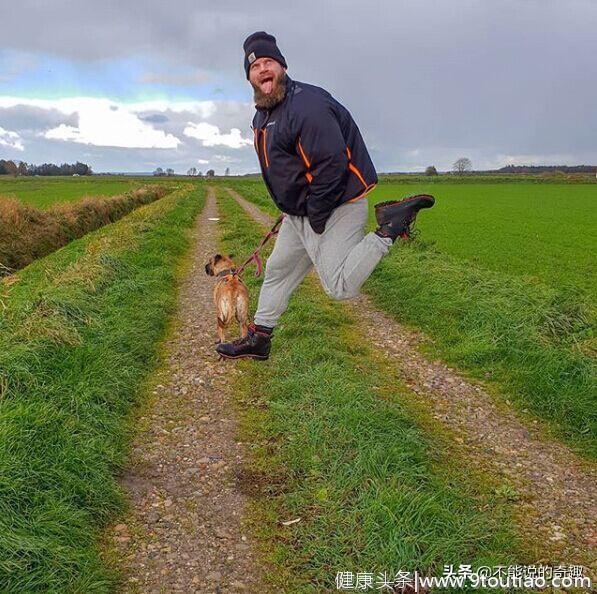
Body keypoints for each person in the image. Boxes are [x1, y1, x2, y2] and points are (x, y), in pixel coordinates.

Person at [216, 31, 434, 361]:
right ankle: (260, 339)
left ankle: (389, 227)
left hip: (334, 205)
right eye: (255, 65)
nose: (263, 69)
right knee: (278, 270)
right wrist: (292, 207)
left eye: (269, 62)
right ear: (249, 76)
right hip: (300, 212)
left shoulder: (307, 106)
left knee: (339, 287)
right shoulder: (265, 113)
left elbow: (332, 164)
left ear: (283, 67)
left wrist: (316, 214)